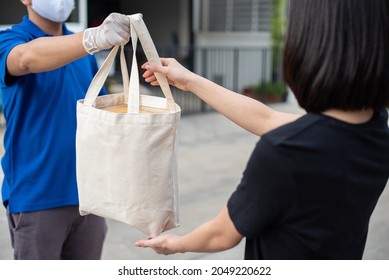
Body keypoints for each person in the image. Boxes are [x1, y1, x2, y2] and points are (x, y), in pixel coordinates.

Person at [135, 0, 389, 259]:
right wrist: (190, 81)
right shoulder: (376, 128)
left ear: (311, 46)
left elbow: (221, 234)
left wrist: (173, 244)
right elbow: (266, 119)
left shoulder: (286, 152)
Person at [0, 0, 131, 259]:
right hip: (38, 198)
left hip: (89, 198)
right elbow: (25, 59)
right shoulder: (11, 40)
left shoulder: (83, 52)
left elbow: (101, 117)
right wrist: (92, 38)